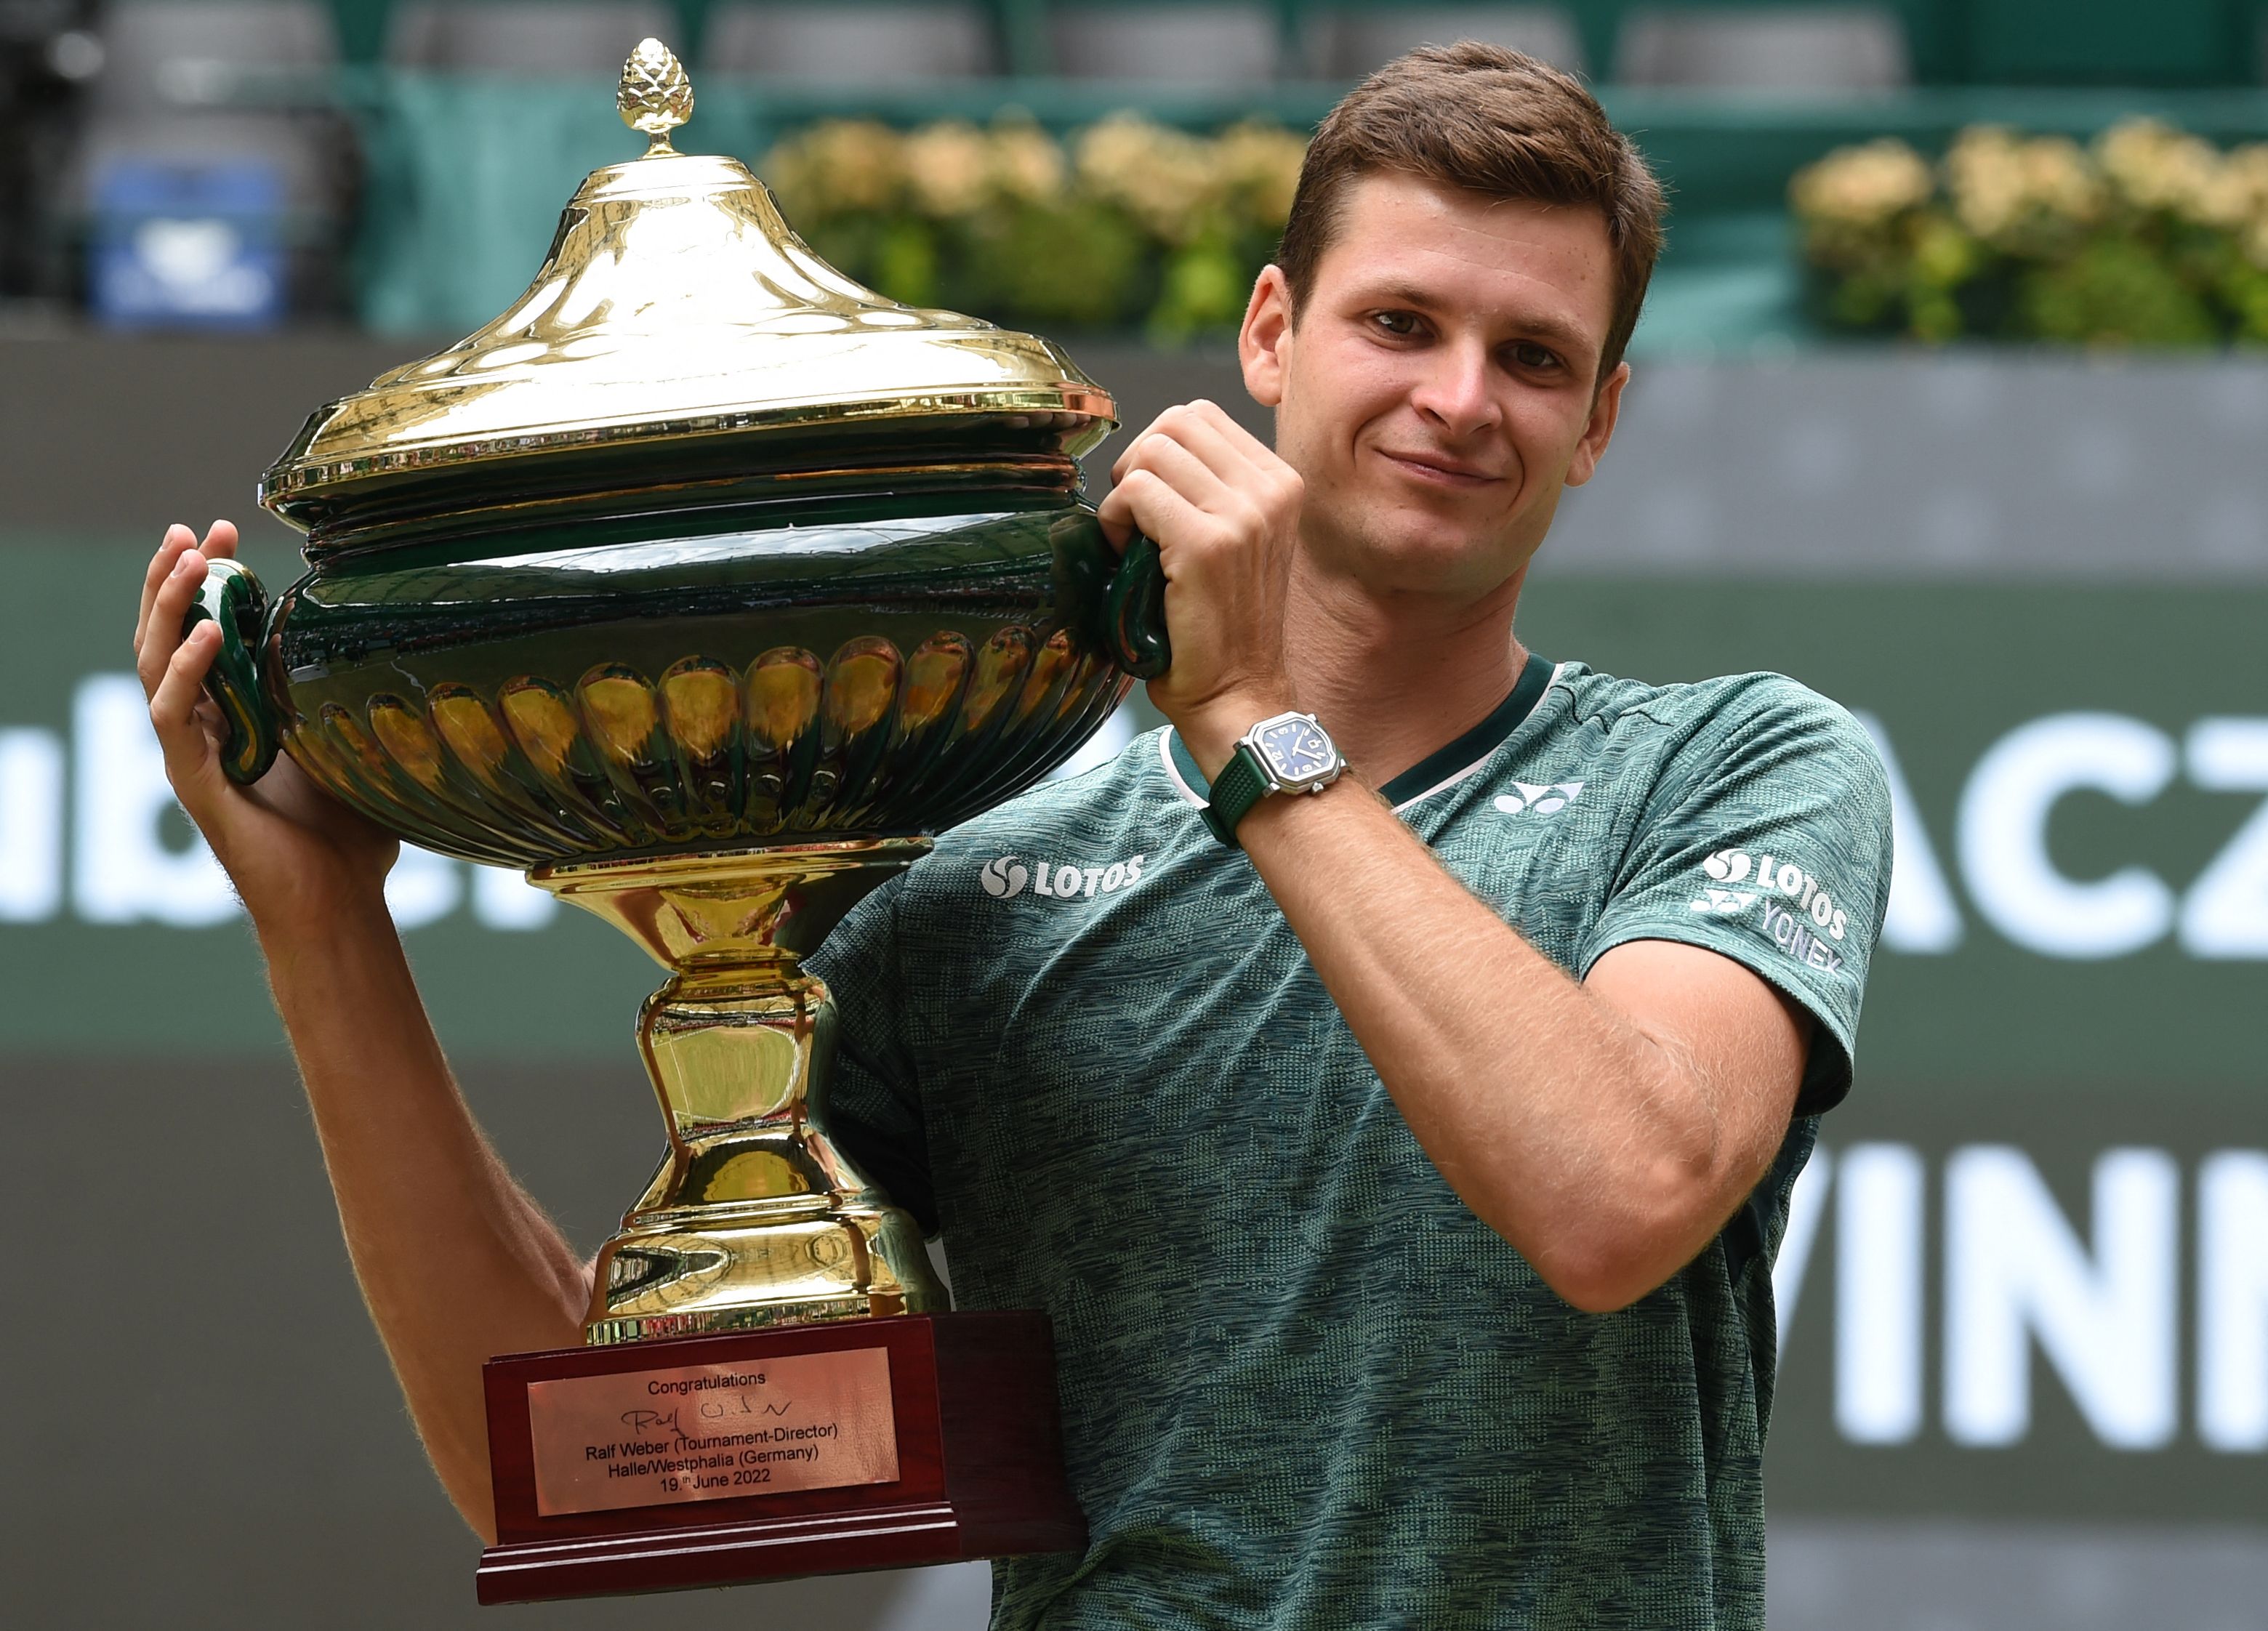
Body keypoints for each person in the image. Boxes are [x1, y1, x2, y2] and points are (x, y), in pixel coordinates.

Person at [133, 44, 1891, 1631]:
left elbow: (1616, 1199)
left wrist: (1247, 723)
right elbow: (582, 1467)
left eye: (1535, 359)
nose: (1459, 398)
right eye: (1401, 323)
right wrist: (320, 919)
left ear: (1601, 423)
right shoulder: (979, 873)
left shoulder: (1737, 767)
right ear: (1273, 329)